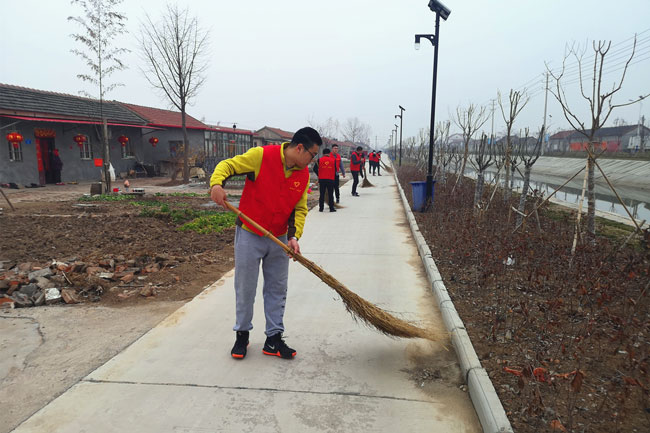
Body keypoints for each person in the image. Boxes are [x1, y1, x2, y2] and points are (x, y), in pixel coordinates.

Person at [209, 126, 322, 360]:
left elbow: (299, 209)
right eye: (312, 155)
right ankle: (242, 335)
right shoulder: (262, 156)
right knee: (245, 287)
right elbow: (228, 165)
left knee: (277, 288)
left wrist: (294, 236)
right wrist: (216, 184)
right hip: (250, 234)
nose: (312, 161)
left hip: (279, 238)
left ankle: (274, 338)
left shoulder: (302, 175)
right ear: (300, 148)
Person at [312, 148, 336, 212]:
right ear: (329, 153)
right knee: (330, 194)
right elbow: (335, 170)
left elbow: (314, 169)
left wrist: (319, 174)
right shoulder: (333, 160)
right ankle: (331, 208)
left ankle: (321, 208)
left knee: (322, 194)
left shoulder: (319, 160)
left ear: (323, 153)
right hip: (330, 179)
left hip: (322, 179)